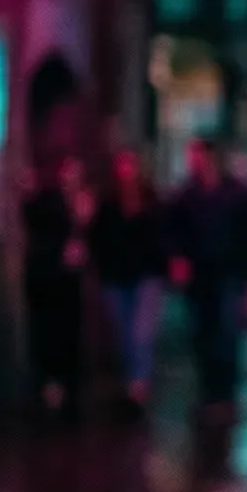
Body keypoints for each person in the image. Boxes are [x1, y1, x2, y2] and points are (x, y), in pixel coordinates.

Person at [164, 137, 247, 411]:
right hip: (200, 276)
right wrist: (178, 261)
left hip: (229, 272)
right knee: (203, 331)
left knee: (227, 331)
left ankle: (224, 391)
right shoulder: (186, 195)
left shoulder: (235, 193)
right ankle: (211, 389)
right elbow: (174, 233)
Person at [90, 148, 167, 412]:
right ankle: (130, 380)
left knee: (139, 331)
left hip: (146, 274)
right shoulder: (109, 204)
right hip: (117, 276)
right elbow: (97, 237)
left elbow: (160, 235)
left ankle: (139, 384)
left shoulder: (151, 201)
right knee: (124, 331)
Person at [20, 155, 93, 416]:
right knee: (49, 332)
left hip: (69, 280)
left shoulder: (84, 200)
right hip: (49, 276)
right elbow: (37, 223)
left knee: (70, 332)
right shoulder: (49, 201)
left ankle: (67, 388)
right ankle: (52, 387)